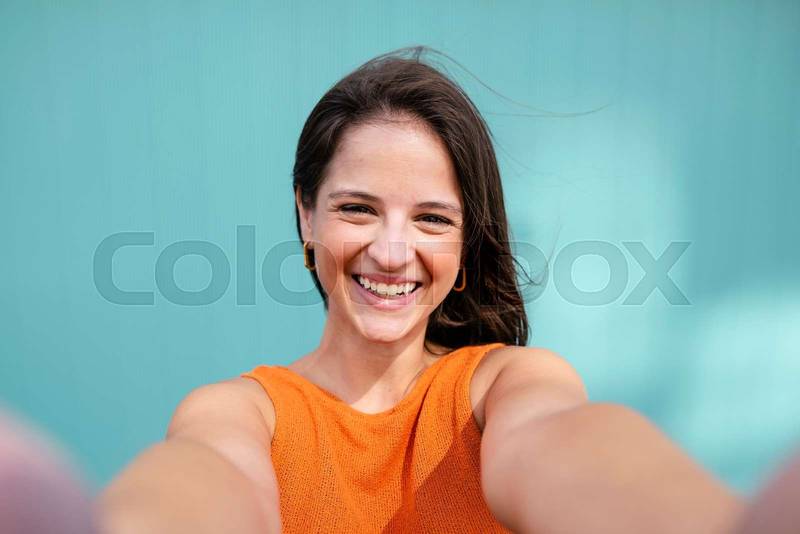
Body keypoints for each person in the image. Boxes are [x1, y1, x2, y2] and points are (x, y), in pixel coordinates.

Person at [95, 46, 745, 533]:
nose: (391, 251)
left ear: (465, 247)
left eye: (432, 219)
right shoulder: (243, 413)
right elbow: (208, 478)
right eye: (358, 209)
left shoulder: (505, 389)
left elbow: (559, 443)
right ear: (306, 216)